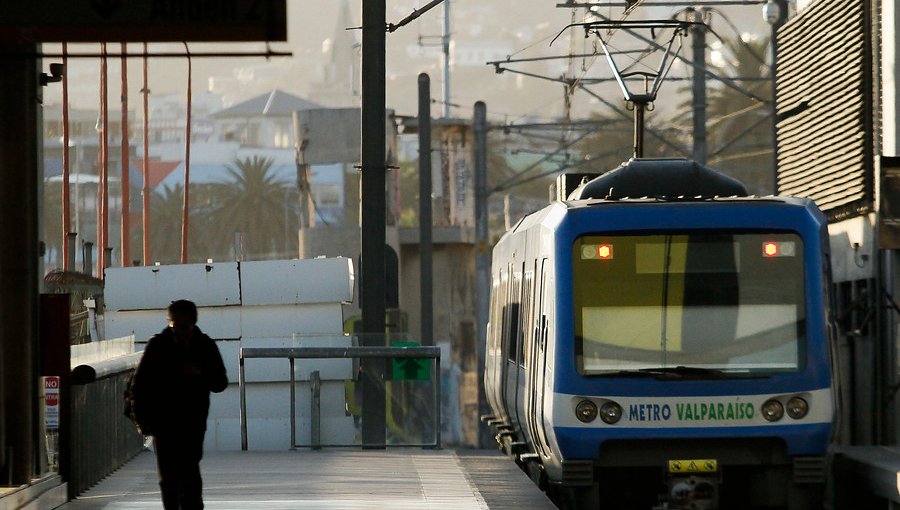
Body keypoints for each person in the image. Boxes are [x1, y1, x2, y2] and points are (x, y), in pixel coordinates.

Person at [131, 299, 228, 510]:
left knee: (187, 472)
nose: (178, 331)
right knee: (171, 476)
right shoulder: (158, 346)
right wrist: (143, 420)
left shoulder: (203, 346)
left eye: (183, 326)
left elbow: (220, 382)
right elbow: (140, 386)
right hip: (164, 422)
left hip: (191, 422)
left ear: (193, 323)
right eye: (175, 326)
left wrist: (200, 374)